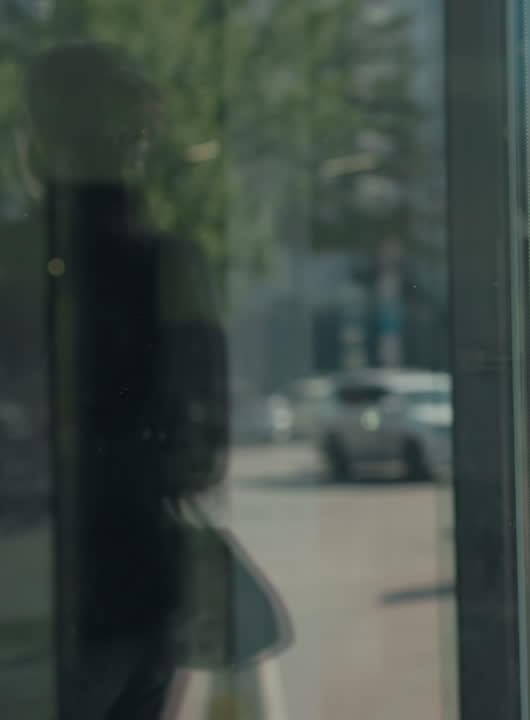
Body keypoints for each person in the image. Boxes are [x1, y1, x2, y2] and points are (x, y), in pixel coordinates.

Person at [1, 42, 230, 718]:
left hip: (33, 597)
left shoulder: (11, 265)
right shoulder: (173, 266)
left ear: (37, 141)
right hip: (143, 593)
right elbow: (200, 453)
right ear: (138, 143)